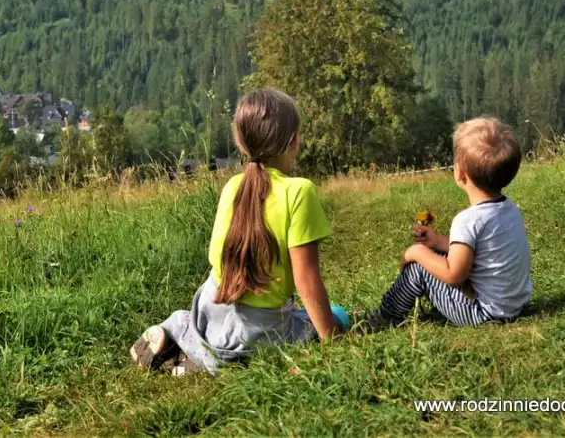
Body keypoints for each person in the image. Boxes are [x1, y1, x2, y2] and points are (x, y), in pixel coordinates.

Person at [130, 88, 347, 376]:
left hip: (211, 310)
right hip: (260, 327)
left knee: (193, 321)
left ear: (242, 144)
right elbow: (306, 281)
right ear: (294, 141)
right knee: (338, 313)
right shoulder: (299, 191)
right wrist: (332, 337)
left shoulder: (233, 186)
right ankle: (209, 359)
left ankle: (184, 339)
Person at [363, 116, 532, 330]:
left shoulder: (467, 220)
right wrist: (438, 242)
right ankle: (443, 306)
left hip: (483, 313)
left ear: (460, 172)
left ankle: (386, 316)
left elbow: (454, 275)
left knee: (418, 269)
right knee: (437, 255)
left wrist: (417, 252)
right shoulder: (509, 209)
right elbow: (480, 250)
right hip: (512, 306)